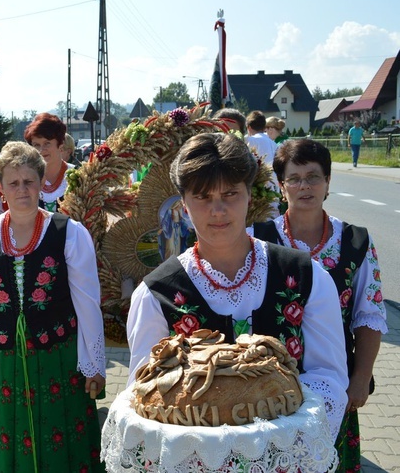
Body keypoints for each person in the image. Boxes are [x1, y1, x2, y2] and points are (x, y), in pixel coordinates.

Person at [127, 132, 349, 443]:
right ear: (184, 205)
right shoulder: (156, 294)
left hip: (286, 453)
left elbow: (329, 378)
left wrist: (276, 442)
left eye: (230, 194)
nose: (218, 210)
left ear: (250, 195)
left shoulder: (305, 277)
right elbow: (146, 395)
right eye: (203, 197)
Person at [0, 141, 106, 472]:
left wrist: (93, 361)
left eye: (29, 181)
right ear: (0, 187)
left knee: (62, 434)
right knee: (9, 437)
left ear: (42, 182)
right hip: (3, 359)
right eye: (13, 182)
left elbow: (87, 304)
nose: (22, 189)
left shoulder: (69, 232)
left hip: (59, 357)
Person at [252, 138, 386, 471]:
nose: (304, 186)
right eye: (294, 178)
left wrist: (360, 377)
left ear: (328, 182)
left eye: (313, 176)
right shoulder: (257, 239)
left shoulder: (356, 241)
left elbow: (369, 314)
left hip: (335, 383)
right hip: (268, 384)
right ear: (282, 187)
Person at [24, 113, 73, 211]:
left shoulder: (78, 175)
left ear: (60, 144)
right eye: (36, 145)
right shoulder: (26, 178)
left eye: (47, 143)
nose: (41, 150)